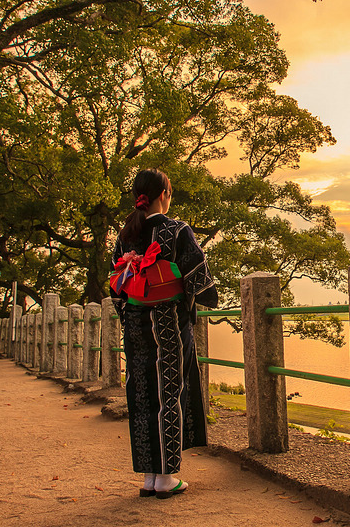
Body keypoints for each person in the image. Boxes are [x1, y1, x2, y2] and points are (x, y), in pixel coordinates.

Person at [110, 168, 218, 498]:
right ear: (164, 195)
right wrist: (208, 299)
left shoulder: (125, 236)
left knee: (142, 395)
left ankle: (149, 477)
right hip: (168, 324)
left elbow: (118, 290)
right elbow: (200, 281)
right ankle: (167, 477)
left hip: (135, 327)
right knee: (169, 392)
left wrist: (132, 312)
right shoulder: (176, 230)